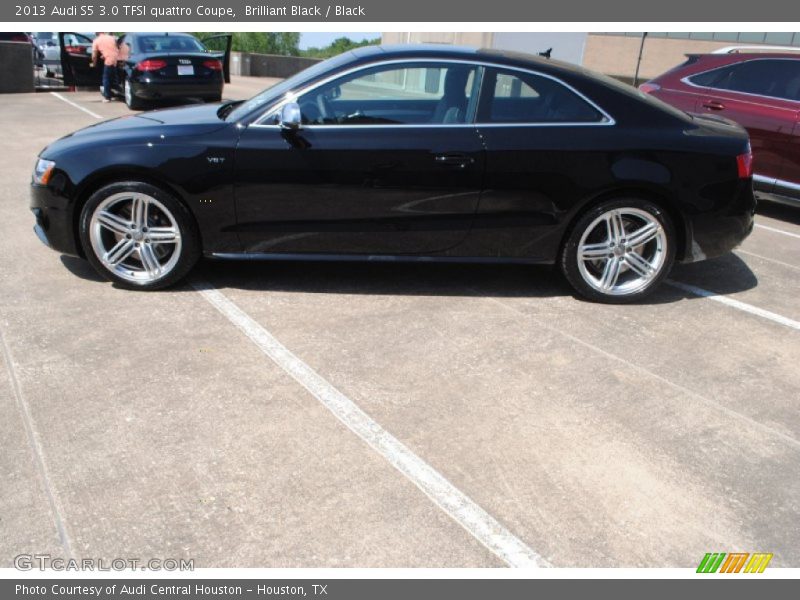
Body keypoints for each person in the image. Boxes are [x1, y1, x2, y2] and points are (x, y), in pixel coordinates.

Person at [90, 32, 118, 102]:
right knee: (114, 78)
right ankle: (115, 94)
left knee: (106, 79)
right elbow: (115, 49)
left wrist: (93, 64)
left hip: (108, 61)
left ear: (96, 34)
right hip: (116, 60)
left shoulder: (96, 41)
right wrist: (104, 55)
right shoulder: (112, 38)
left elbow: (94, 55)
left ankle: (107, 97)